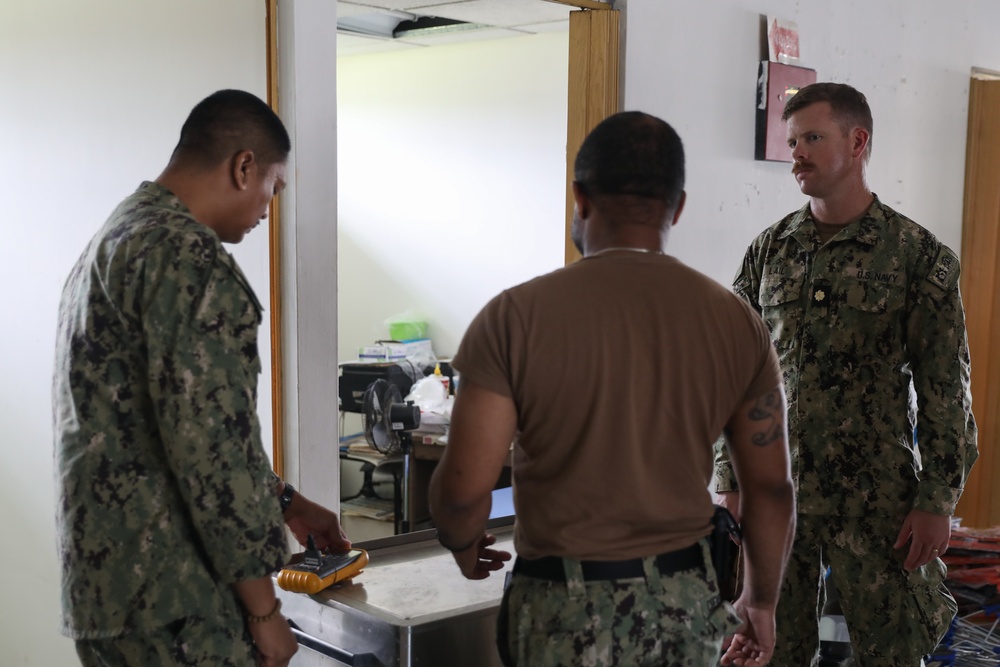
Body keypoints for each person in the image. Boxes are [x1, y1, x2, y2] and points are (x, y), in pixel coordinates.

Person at [429, 111, 796, 667]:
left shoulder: (514, 317)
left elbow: (462, 489)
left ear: (579, 198)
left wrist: (462, 542)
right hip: (684, 604)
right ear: (678, 206)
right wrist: (761, 600)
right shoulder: (735, 322)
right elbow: (770, 490)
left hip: (562, 608)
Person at [53, 89, 351, 667]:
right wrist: (264, 612)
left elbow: (163, 426)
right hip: (178, 602)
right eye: (274, 186)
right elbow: (212, 451)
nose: (269, 206)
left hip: (112, 595)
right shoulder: (190, 259)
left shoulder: (119, 237)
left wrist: (285, 499)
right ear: (244, 167)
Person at [714, 82, 979, 666]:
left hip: (875, 499)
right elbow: (733, 370)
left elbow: (945, 390)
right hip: (776, 491)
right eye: (792, 141)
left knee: (892, 652)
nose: (797, 154)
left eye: (812, 138)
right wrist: (727, 473)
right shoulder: (771, 251)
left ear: (857, 142)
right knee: (768, 650)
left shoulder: (916, 256)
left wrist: (938, 498)